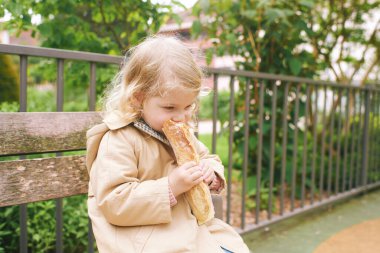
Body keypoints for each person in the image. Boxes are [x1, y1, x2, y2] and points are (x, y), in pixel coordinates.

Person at [86, 35, 250, 253]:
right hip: (144, 238)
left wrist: (211, 172)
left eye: (188, 106)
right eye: (170, 108)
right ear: (138, 97)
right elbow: (114, 202)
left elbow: (207, 157)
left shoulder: (179, 134)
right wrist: (171, 186)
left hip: (190, 229)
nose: (181, 117)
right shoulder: (119, 139)